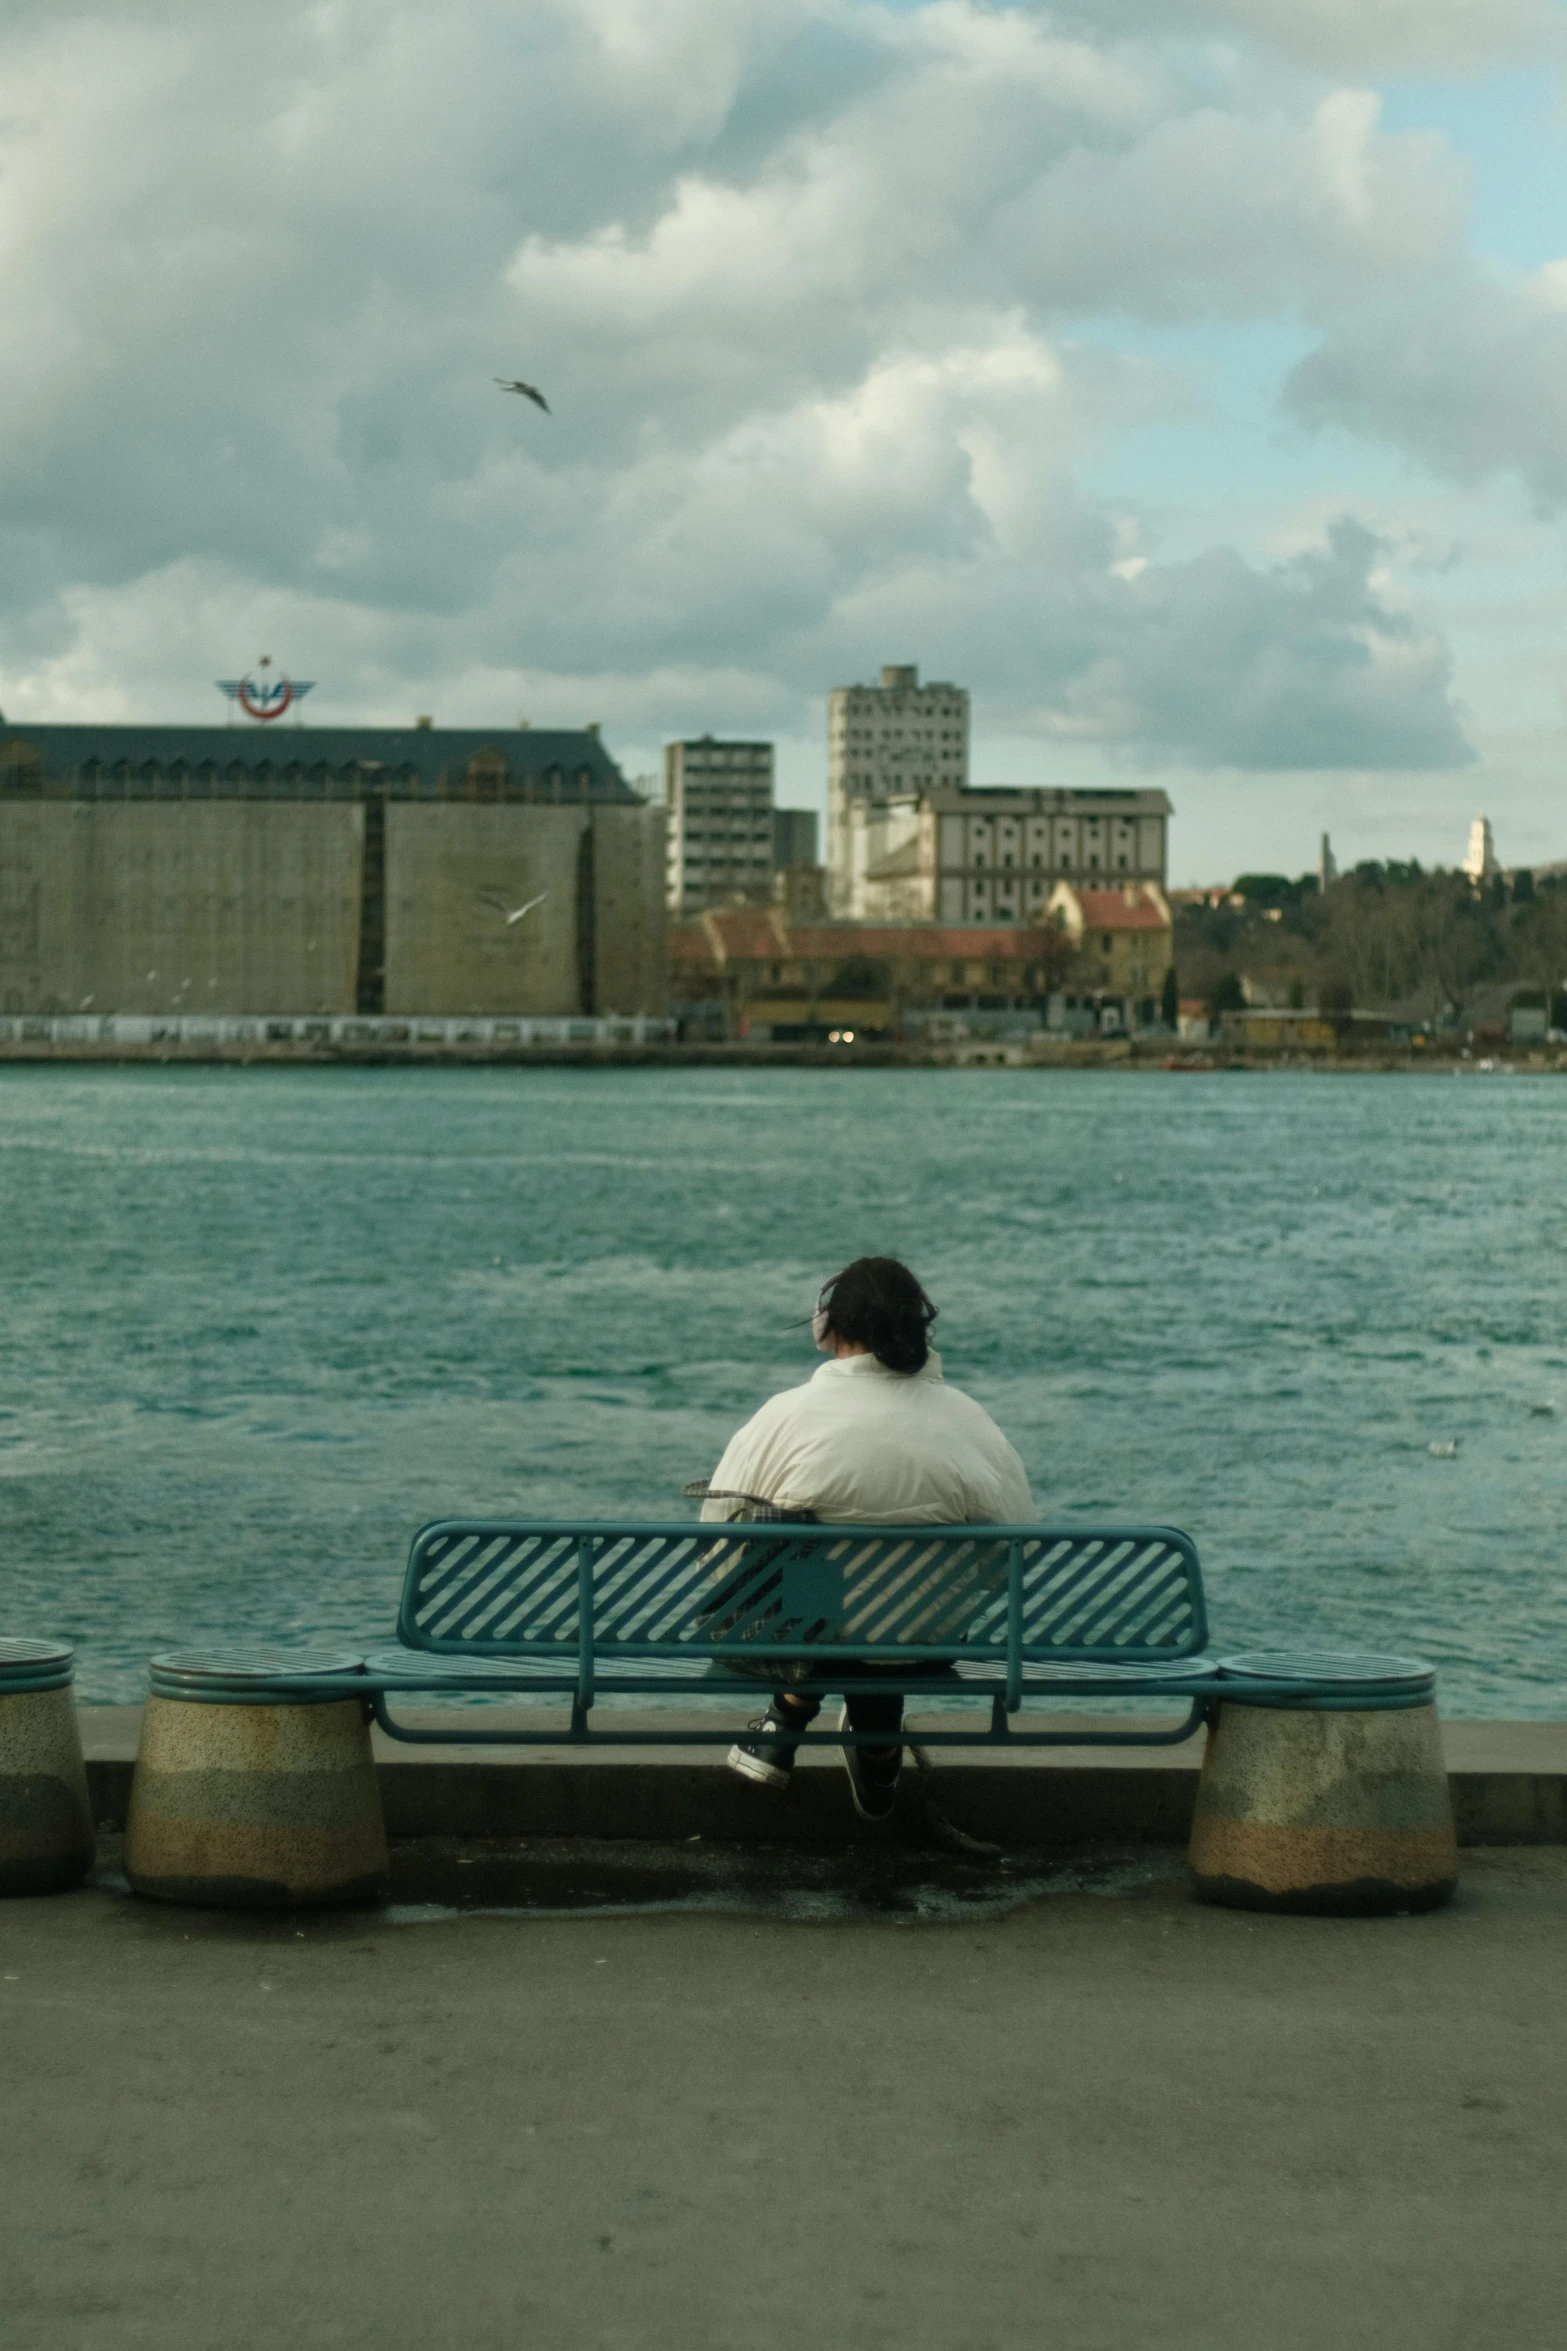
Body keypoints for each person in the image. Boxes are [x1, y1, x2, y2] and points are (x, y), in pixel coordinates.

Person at [700, 1256, 1034, 1820]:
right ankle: (876, 1747)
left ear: (826, 1329)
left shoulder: (785, 1418)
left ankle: (789, 1713)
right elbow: (1010, 1561)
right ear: (918, 1332)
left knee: (813, 1574)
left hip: (804, 1640)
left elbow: (717, 1545)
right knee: (885, 1610)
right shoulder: (968, 1421)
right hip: (923, 1641)